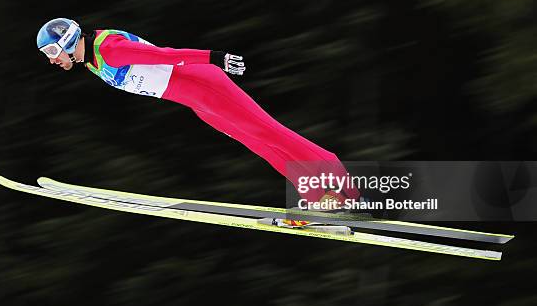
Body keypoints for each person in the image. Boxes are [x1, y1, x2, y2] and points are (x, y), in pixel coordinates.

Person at [36, 18, 359, 206]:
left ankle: (347, 187)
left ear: (67, 41)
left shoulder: (110, 49)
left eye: (51, 51)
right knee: (260, 145)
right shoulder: (93, 62)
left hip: (208, 87)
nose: (51, 59)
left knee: (270, 132)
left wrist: (213, 57)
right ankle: (321, 199)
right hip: (199, 103)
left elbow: (165, 55)